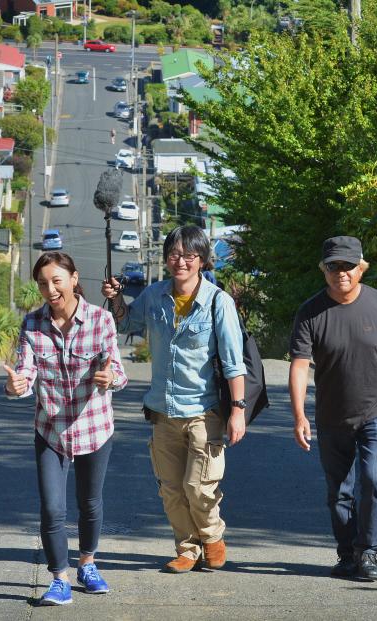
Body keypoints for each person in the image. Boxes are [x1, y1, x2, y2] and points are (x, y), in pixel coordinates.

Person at [102, 225, 246, 574]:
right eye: (174, 254)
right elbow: (124, 324)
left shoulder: (217, 302)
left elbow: (233, 361)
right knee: (170, 488)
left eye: (189, 255)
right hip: (162, 409)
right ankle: (187, 548)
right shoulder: (153, 295)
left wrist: (237, 410)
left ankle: (212, 538)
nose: (180, 261)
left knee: (198, 486)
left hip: (204, 409)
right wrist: (116, 298)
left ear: (201, 260)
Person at [288, 235, 377, 582]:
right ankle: (347, 551)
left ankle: (368, 552)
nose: (341, 273)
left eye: (348, 266)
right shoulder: (310, 312)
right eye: (334, 266)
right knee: (339, 491)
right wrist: (299, 415)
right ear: (324, 270)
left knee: (375, 479)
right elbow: (300, 365)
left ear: (360, 268)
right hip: (332, 415)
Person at [4, 252, 127, 606]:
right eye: (43, 283)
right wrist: (18, 387)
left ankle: (88, 563)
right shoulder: (31, 324)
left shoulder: (101, 320)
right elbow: (25, 372)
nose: (50, 288)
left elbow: (117, 368)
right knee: (52, 507)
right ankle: (60, 578)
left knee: (89, 503)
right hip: (51, 429)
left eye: (57, 280)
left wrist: (110, 377)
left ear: (74, 279)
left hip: (94, 427)